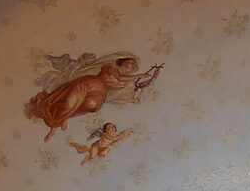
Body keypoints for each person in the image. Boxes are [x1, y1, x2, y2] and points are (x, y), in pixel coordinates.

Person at [24, 53, 161, 140]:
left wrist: (153, 78)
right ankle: (54, 126)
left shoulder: (128, 80)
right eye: (130, 62)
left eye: (134, 66)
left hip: (101, 92)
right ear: (122, 62)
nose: (132, 66)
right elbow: (119, 77)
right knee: (68, 103)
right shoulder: (111, 67)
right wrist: (139, 75)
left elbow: (140, 86)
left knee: (92, 106)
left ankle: (65, 117)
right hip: (91, 83)